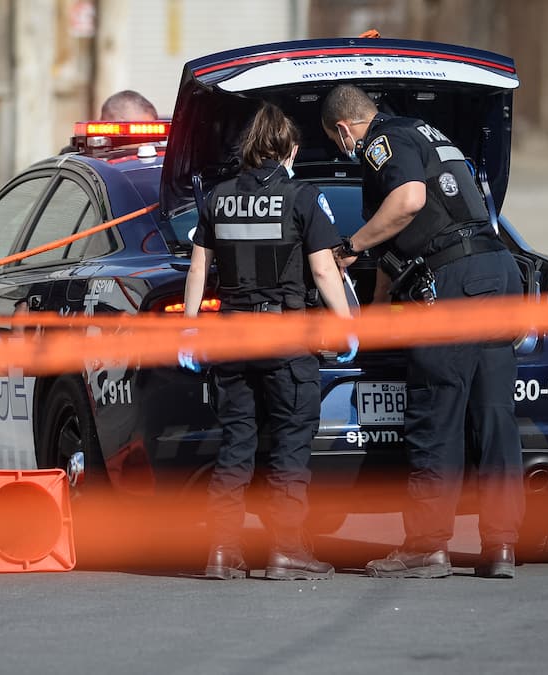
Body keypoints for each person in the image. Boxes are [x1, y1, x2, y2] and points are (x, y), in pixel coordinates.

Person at [321, 84, 525, 579]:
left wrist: (349, 248)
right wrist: (376, 309)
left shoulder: (381, 142)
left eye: (334, 141)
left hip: (452, 284)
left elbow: (408, 202)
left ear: (344, 129)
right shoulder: (429, 133)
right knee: (494, 417)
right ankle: (501, 545)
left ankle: (426, 547)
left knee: (437, 413)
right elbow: (398, 247)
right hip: (498, 272)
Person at [181, 102, 354, 581]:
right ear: (290, 150)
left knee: (236, 445)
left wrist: (190, 327)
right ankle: (286, 551)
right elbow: (325, 270)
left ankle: (222, 551)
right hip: (285, 338)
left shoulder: (218, 198)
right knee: (290, 448)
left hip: (233, 337)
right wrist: (346, 325)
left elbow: (198, 268)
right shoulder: (302, 197)